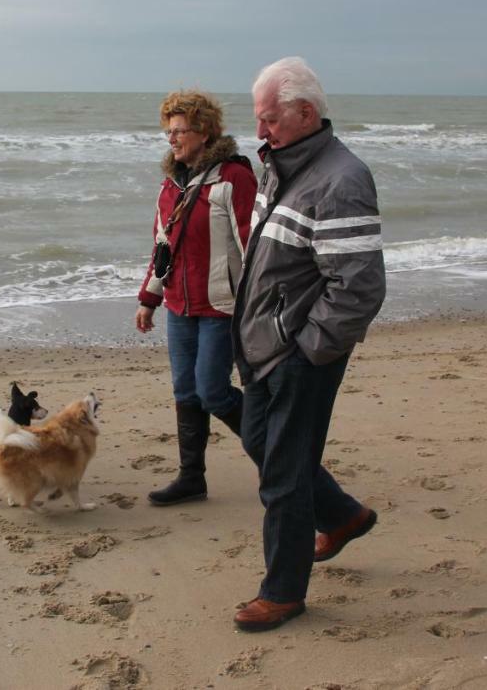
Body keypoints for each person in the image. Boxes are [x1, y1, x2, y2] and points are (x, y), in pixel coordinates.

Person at [229, 58, 386, 632]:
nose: (260, 131)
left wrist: (307, 351)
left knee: (284, 474)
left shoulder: (341, 178)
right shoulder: (281, 166)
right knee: (260, 441)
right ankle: (344, 515)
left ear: (305, 113)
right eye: (259, 119)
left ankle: (284, 591)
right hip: (268, 348)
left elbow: (360, 286)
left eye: (269, 119)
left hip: (301, 354)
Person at [135, 90, 258, 505]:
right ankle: (192, 478)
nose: (172, 138)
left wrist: (259, 303)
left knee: (212, 392)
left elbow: (253, 246)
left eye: (180, 130)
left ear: (204, 132)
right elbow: (162, 247)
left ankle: (277, 451)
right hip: (179, 307)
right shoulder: (170, 184)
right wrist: (149, 299)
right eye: (169, 131)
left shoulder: (234, 178)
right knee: (185, 392)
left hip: (221, 307)